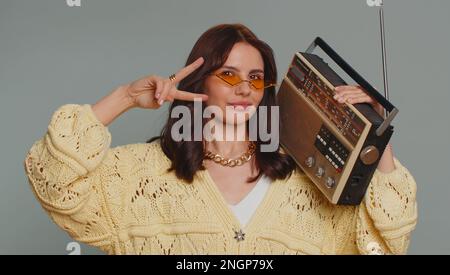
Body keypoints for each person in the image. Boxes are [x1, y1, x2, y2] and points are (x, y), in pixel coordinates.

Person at [24, 23, 417, 255]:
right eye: (228, 75)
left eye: (255, 78)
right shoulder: (140, 175)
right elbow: (54, 180)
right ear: (201, 84)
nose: (244, 88)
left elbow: (383, 243)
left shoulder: (307, 183)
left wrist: (376, 133)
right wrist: (124, 98)